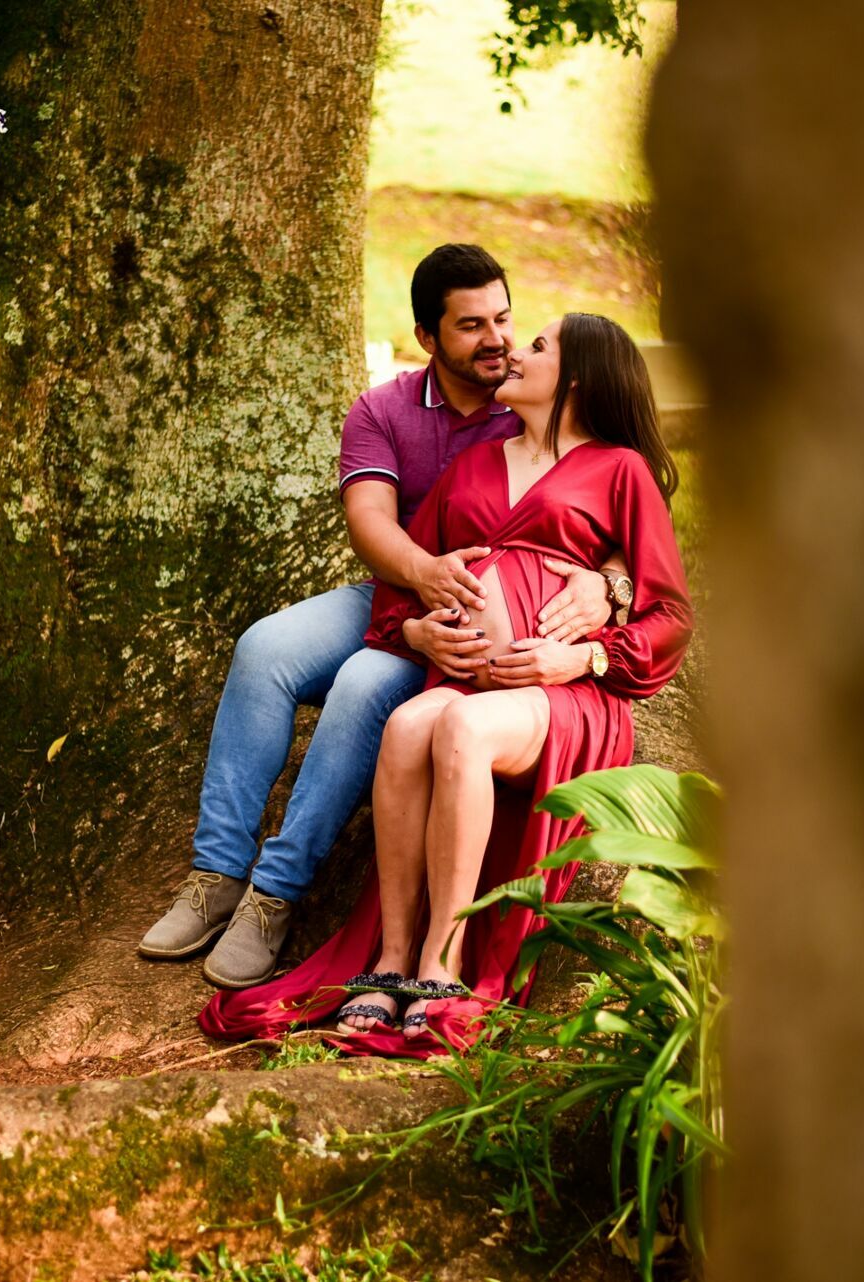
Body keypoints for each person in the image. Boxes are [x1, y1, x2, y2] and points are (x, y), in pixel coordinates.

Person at [199, 313, 692, 1055]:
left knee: (459, 731)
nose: (517, 352)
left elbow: (672, 612)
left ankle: (443, 961)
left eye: (536, 346)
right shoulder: (476, 465)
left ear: (580, 380)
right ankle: (393, 956)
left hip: (563, 696)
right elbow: (402, 588)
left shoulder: (619, 469)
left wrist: (586, 658)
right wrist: (416, 632)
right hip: (469, 684)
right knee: (407, 727)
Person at [138, 246, 627, 988]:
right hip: (400, 592)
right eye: (471, 326)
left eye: (504, 318)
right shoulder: (385, 410)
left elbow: (616, 506)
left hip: (472, 621)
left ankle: (276, 893)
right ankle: (216, 874)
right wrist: (419, 589)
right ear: (428, 337)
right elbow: (369, 519)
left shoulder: (534, 396)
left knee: (367, 684)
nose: (496, 340)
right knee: (264, 650)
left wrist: (609, 586)